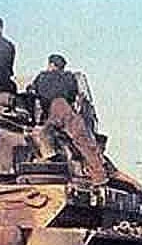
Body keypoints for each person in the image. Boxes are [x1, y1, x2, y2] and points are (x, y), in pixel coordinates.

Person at [29, 54, 107, 185]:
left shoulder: (41, 77)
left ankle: (49, 160)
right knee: (84, 142)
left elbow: (32, 93)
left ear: (50, 65)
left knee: (44, 135)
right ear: (62, 67)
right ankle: (99, 176)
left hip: (51, 112)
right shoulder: (69, 77)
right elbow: (72, 95)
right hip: (64, 110)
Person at [29, 54, 79, 120]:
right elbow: (73, 95)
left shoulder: (42, 76)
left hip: (46, 114)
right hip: (66, 115)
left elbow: (32, 90)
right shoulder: (70, 77)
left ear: (52, 65)